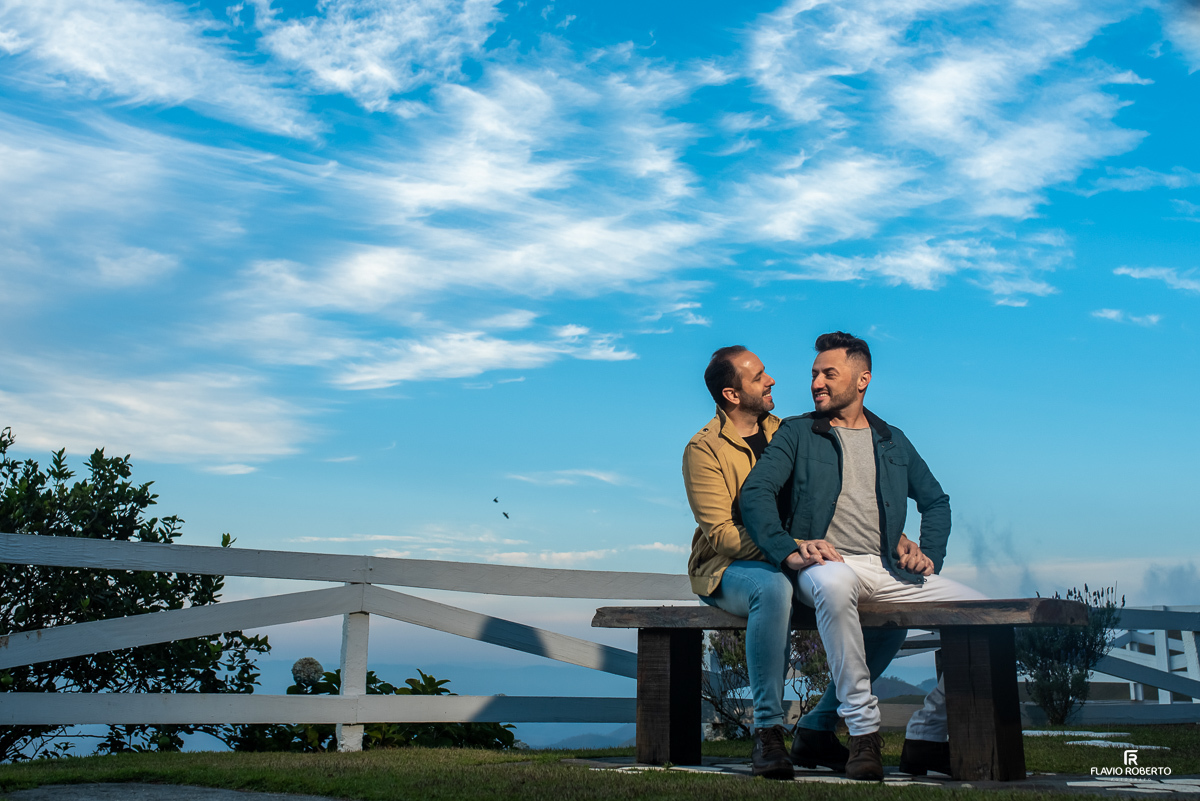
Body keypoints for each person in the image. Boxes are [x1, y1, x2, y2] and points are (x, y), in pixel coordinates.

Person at [741, 331, 987, 782]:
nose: (816, 382)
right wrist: (789, 550)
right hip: (827, 566)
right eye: (814, 373)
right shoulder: (797, 432)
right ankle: (863, 733)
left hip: (887, 568)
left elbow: (936, 501)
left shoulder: (892, 440)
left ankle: (927, 734)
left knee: (985, 616)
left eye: (828, 374)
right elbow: (755, 493)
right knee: (834, 589)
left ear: (862, 380)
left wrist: (929, 554)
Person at [683, 345, 906, 780]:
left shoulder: (792, 429)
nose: (771, 381)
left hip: (798, 558)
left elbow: (835, 499)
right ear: (732, 394)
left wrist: (891, 536)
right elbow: (724, 538)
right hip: (728, 568)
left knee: (886, 610)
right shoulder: (703, 450)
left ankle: (819, 723)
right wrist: (790, 545)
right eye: (759, 376)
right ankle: (767, 731)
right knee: (772, 588)